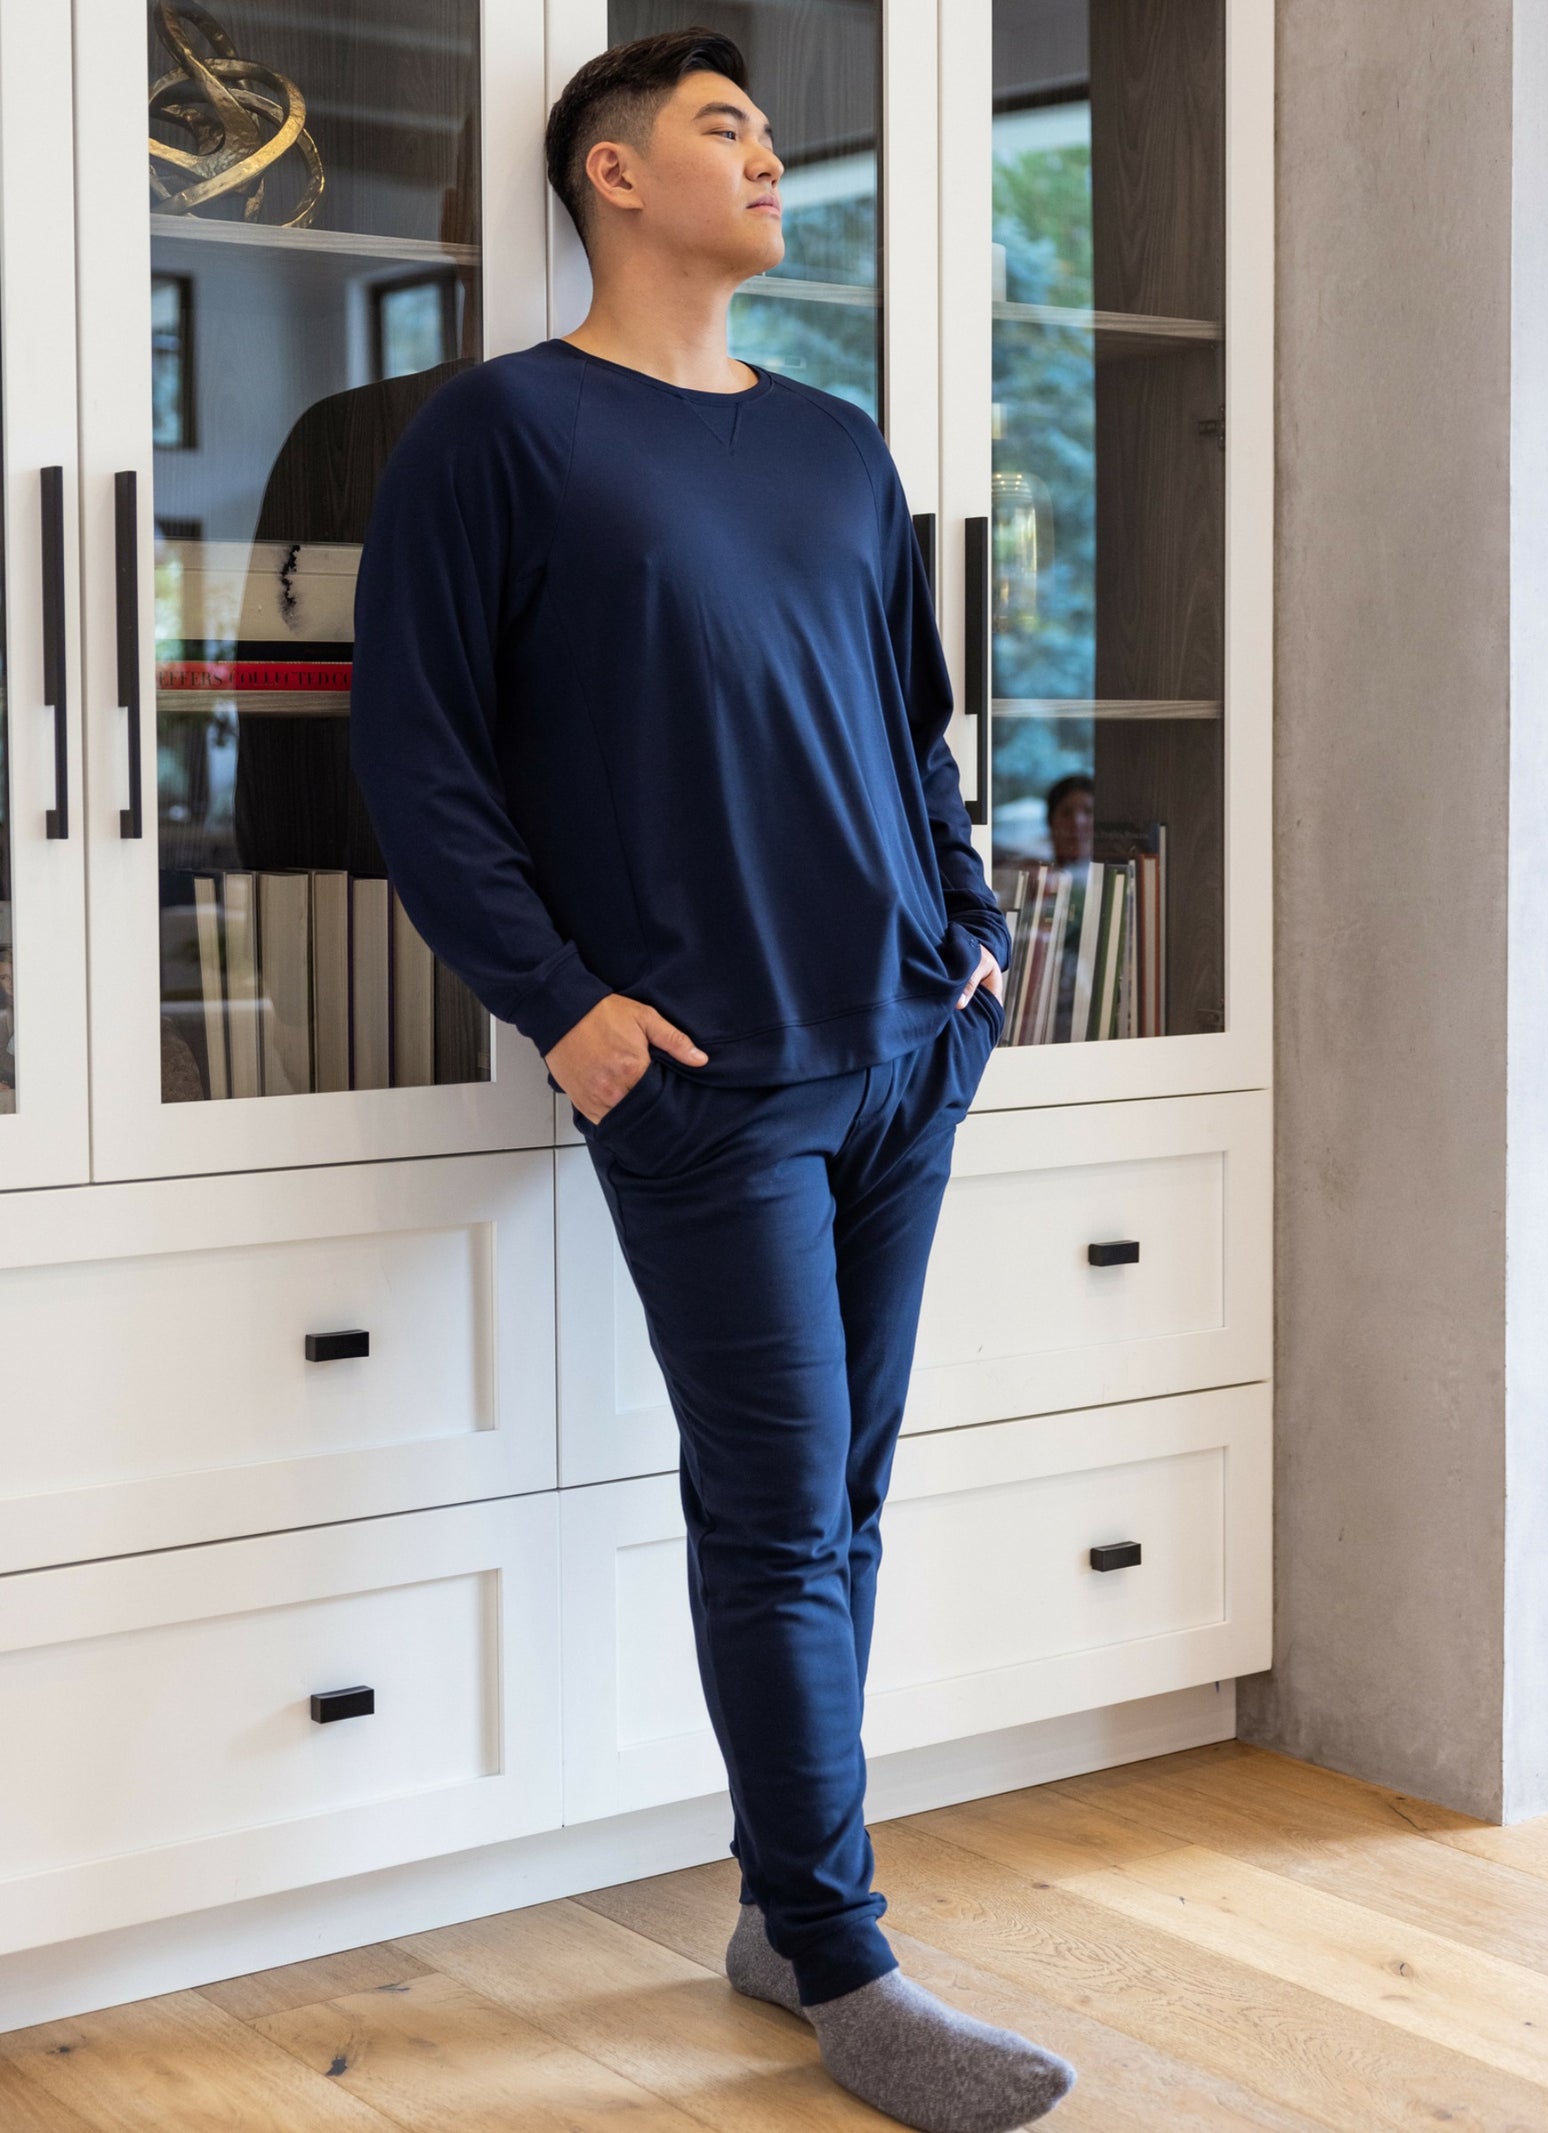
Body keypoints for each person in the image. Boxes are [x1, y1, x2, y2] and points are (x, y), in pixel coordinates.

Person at [348, 28, 1076, 2131]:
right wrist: (563, 1011)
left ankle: (780, 1903)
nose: (768, 156)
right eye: (722, 128)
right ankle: (844, 1964)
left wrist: (972, 940)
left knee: (834, 1503)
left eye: (764, 128)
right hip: (704, 1080)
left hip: (902, 1046)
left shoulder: (839, 448)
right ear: (608, 175)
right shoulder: (497, 435)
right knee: (772, 1516)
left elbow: (910, 721)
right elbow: (419, 761)